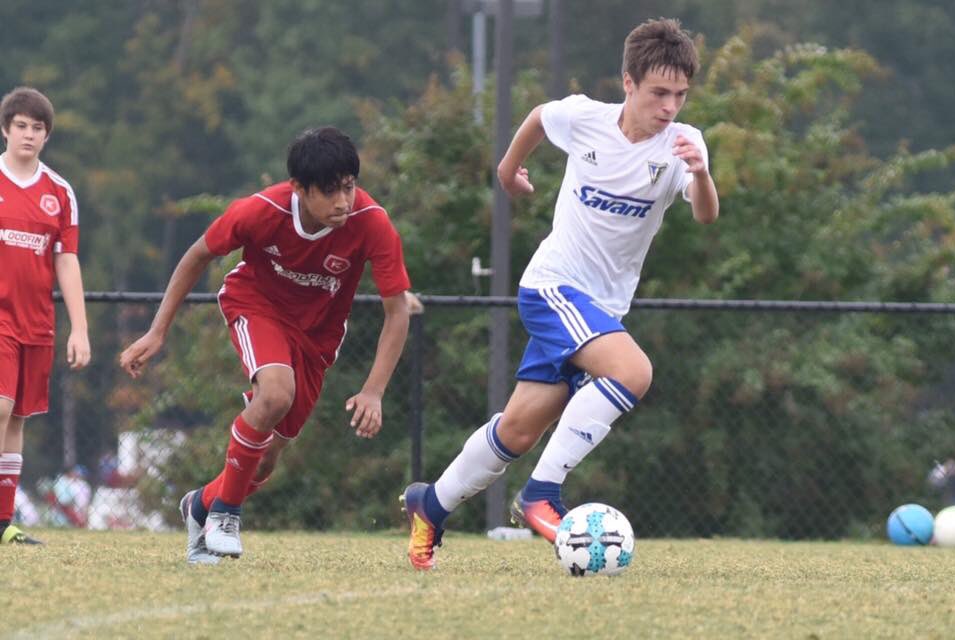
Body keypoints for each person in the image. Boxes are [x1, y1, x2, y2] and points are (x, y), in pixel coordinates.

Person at [401, 18, 719, 570]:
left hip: (598, 310)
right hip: (553, 286)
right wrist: (508, 171)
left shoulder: (682, 145)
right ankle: (542, 493)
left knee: (518, 430)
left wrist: (703, 174)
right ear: (628, 82)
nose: (670, 106)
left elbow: (706, 215)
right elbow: (539, 117)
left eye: (680, 95)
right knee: (633, 372)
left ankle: (430, 505)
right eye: (658, 93)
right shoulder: (585, 119)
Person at [120, 127, 412, 564]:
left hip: (318, 338)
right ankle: (225, 515)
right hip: (255, 304)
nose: (342, 201)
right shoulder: (261, 211)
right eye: (329, 191)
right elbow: (197, 255)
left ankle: (200, 506)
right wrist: (157, 331)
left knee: (265, 462)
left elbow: (397, 311)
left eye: (349, 187)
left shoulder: (371, 222)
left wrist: (374, 390)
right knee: (275, 393)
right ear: (299, 188)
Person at [0, 87, 91, 546]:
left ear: (47, 135)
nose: (28, 134)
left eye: (37, 128)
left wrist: (80, 328)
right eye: (21, 126)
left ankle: (3, 523)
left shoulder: (60, 192)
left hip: (35, 322)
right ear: (5, 129)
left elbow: (67, 260)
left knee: (17, 417)